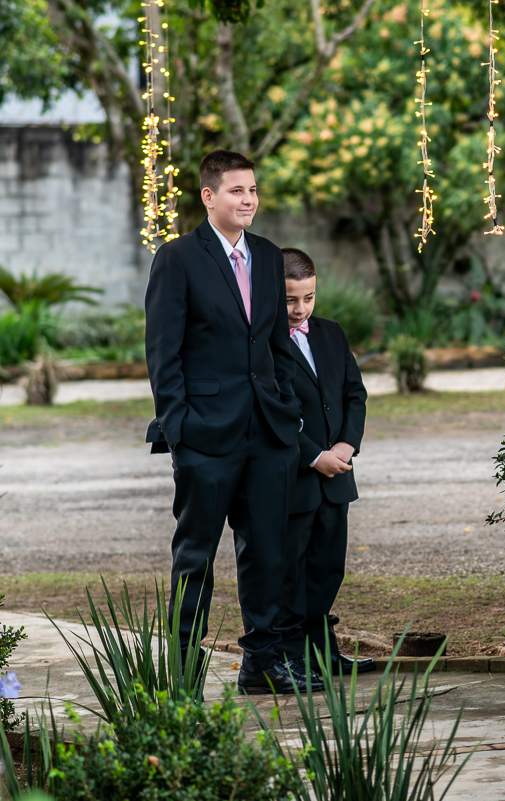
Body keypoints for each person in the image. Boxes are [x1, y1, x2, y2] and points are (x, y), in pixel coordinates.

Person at [145, 149, 319, 695]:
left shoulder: (268, 257)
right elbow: (162, 354)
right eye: (237, 191)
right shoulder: (177, 259)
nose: (249, 200)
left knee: (267, 552)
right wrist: (180, 428)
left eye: (253, 191)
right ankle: (184, 672)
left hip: (267, 434)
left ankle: (262, 665)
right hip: (204, 435)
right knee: (194, 555)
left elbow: (276, 346)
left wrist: (286, 411)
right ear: (208, 196)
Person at [277, 247, 373, 675]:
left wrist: (346, 446)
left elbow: (355, 394)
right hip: (296, 476)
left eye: (308, 298)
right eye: (290, 300)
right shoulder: (263, 342)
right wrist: (314, 455)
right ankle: (291, 656)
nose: (300, 310)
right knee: (291, 570)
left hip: (338, 473)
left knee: (328, 567)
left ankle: (322, 652)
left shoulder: (331, 333)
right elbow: (272, 412)